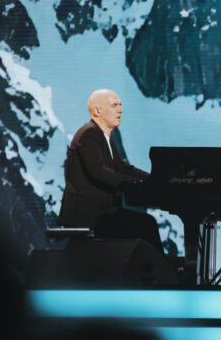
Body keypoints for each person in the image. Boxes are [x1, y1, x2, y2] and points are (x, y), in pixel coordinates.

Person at [59, 89, 160, 248]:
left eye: (120, 105)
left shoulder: (103, 136)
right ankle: (155, 272)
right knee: (146, 225)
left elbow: (123, 168)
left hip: (100, 213)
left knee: (145, 224)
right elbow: (98, 172)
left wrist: (152, 179)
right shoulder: (88, 134)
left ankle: (150, 271)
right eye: (114, 105)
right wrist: (131, 183)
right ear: (98, 110)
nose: (120, 109)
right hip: (87, 216)